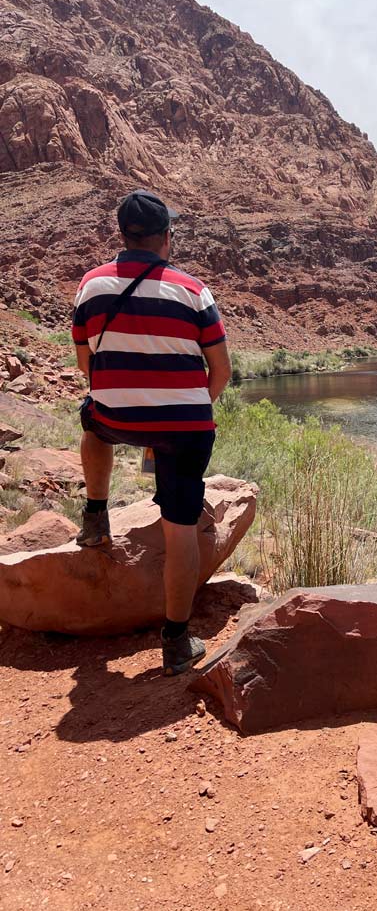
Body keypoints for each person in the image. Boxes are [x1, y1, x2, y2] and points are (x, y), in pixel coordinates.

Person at [71, 189, 232, 675]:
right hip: (184, 427)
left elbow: (87, 367)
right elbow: (221, 370)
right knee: (179, 527)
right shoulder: (193, 290)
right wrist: (187, 409)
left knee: (91, 423)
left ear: (123, 234)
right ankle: (177, 643)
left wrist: (130, 400)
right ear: (167, 236)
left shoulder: (91, 286)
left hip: (117, 417)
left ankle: (96, 515)